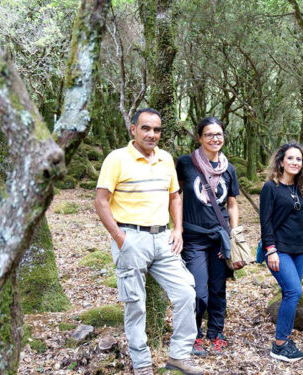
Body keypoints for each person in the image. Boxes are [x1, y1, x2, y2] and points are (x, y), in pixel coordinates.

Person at [94, 108, 204, 375]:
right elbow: (100, 201)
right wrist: (120, 238)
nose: (151, 134)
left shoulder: (166, 159)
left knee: (187, 293)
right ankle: (142, 365)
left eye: (156, 130)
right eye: (145, 128)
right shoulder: (117, 159)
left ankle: (178, 356)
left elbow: (175, 196)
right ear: (133, 130)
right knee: (135, 304)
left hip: (163, 238)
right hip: (131, 238)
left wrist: (177, 229)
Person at [176, 117, 242, 357]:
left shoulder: (229, 168)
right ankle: (192, 335)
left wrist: (233, 234)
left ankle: (216, 333)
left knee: (218, 288)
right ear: (200, 138)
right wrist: (176, 228)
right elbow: (176, 196)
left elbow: (232, 204)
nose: (215, 138)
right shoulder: (185, 163)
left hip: (220, 237)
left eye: (219, 134)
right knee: (197, 290)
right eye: (209, 134)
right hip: (193, 237)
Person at [259, 142, 303, 362]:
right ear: (281, 161)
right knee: (293, 292)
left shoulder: (298, 188)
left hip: (299, 250)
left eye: (298, 159)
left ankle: (285, 338)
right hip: (278, 249)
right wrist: (269, 249)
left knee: (290, 293)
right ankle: (279, 344)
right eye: (290, 158)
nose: (294, 162)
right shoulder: (270, 187)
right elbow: (266, 222)